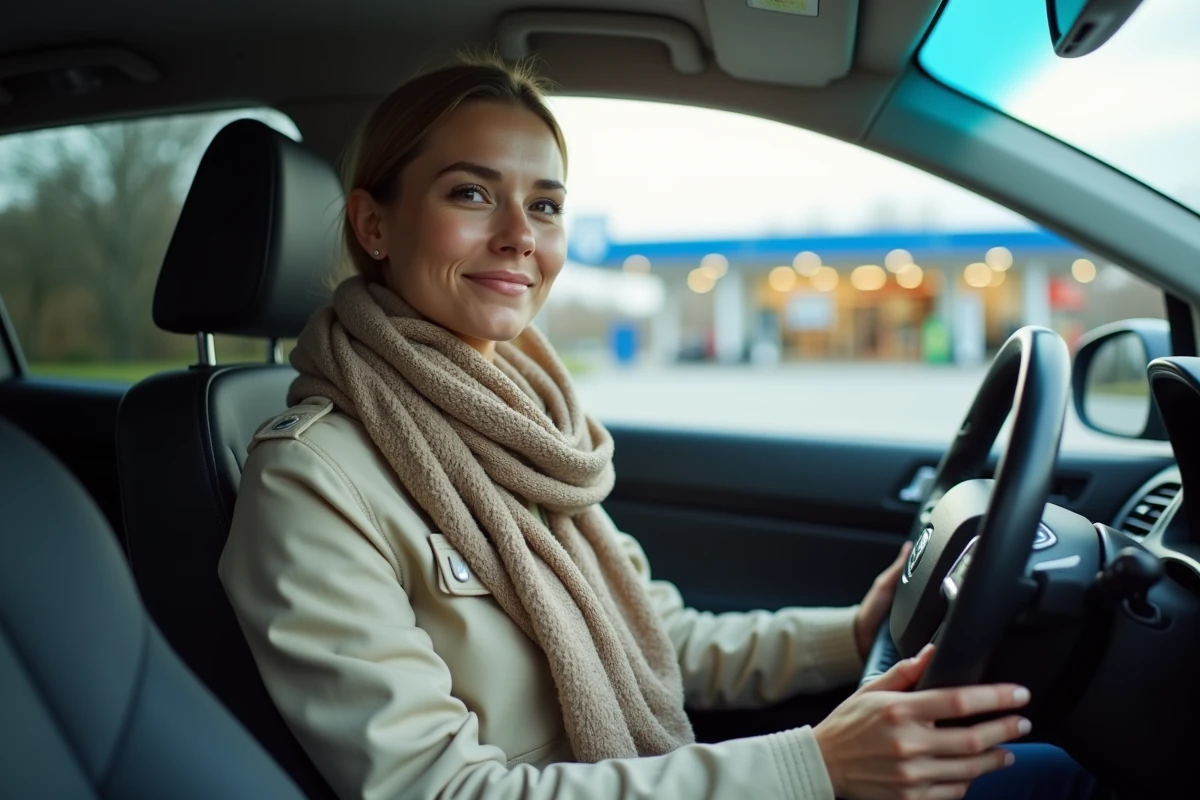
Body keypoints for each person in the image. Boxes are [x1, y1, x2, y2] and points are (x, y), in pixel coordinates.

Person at [219, 54, 1096, 800]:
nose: (522, 236)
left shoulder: (527, 427)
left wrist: (855, 635)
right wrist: (813, 769)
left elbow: (655, 639)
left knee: (1049, 767)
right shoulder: (312, 479)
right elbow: (440, 789)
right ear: (375, 224)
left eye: (548, 204)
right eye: (472, 193)